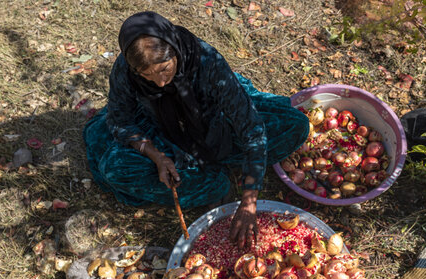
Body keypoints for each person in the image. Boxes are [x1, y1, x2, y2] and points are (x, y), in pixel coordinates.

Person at [83, 11, 309, 248]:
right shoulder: (126, 70)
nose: (160, 83)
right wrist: (155, 155)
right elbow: (121, 121)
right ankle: (213, 183)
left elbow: (250, 127)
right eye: (146, 75)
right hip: (163, 132)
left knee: (295, 126)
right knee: (113, 169)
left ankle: (212, 170)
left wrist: (250, 199)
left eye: (164, 69)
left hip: (214, 127)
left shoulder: (207, 62)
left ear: (175, 50)